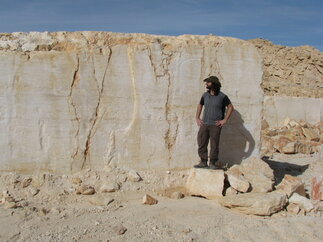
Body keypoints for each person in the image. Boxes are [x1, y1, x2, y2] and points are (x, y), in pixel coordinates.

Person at [194, 76, 234, 169]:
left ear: (214, 84)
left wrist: (224, 120)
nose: (206, 84)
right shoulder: (205, 95)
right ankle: (203, 162)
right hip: (204, 124)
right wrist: (197, 117)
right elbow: (200, 105)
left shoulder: (222, 96)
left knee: (214, 145)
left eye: (208, 82)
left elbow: (231, 107)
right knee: (201, 142)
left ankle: (212, 163)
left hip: (215, 125)